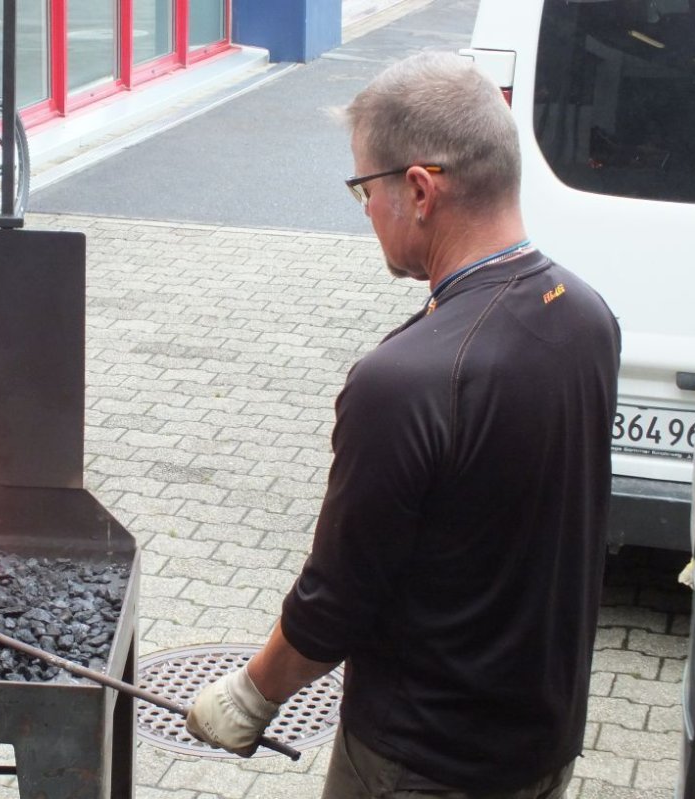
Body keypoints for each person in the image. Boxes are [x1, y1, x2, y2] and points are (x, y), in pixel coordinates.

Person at [186, 51, 621, 798]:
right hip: (542, 750)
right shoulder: (587, 315)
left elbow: (336, 601)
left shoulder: (407, 379)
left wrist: (249, 695)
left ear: (419, 189)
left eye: (364, 187)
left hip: (421, 763)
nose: (364, 209)